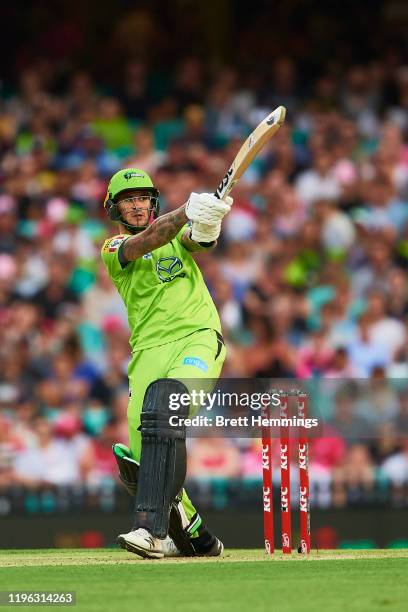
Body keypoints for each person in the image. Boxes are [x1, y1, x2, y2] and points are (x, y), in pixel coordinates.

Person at [101, 167, 232, 558]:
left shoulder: (177, 238)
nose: (137, 204)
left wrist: (206, 224)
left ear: (152, 201)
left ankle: (150, 531)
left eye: (142, 197)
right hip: (146, 353)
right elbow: (151, 239)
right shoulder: (114, 249)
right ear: (115, 209)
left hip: (197, 337)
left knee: (165, 408)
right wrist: (187, 210)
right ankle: (196, 534)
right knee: (145, 456)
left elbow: (196, 240)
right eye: (128, 199)